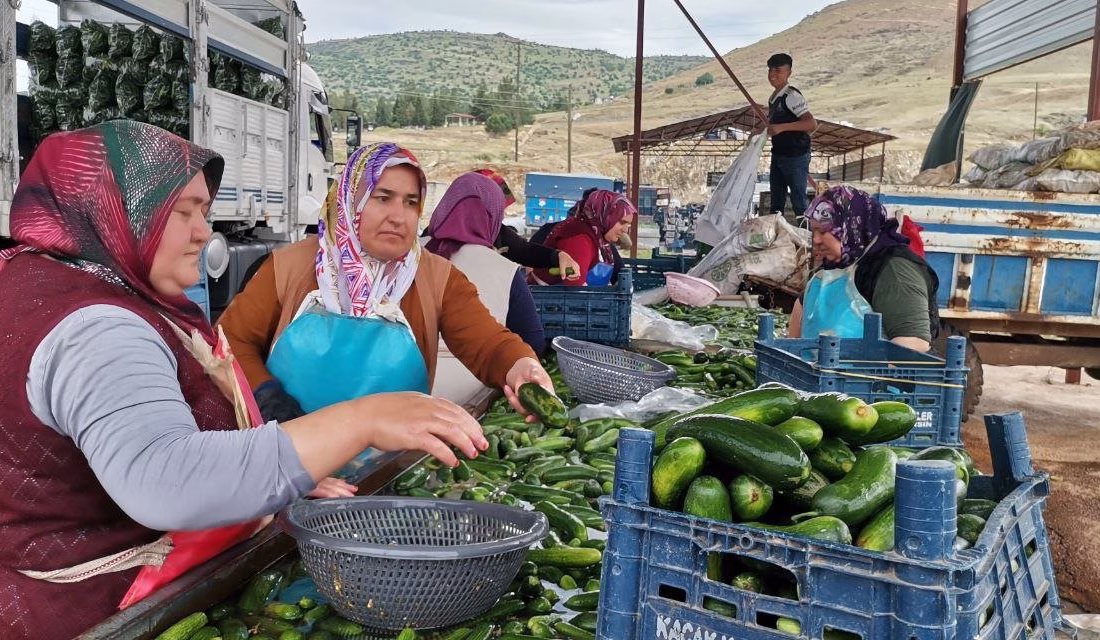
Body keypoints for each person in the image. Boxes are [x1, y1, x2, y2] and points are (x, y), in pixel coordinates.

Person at [0, 121, 487, 639]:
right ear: (113, 212)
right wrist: (360, 420)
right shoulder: (97, 328)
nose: (203, 233)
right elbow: (166, 478)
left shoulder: (44, 281)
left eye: (203, 213)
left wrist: (272, 473)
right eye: (181, 212)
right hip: (102, 614)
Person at [218, 142, 553, 426]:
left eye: (411, 202)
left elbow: (488, 343)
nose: (399, 215)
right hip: (291, 458)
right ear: (351, 199)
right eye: (382, 197)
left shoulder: (437, 279)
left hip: (387, 470)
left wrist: (519, 365)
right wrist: (267, 398)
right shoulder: (290, 266)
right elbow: (231, 341)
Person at [423, 172, 545, 406]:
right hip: (471, 399)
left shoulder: (406, 256)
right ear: (493, 217)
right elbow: (533, 340)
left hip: (400, 395)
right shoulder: (504, 269)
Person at [787, 185, 940, 352]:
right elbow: (800, 316)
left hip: (867, 377)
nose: (815, 240)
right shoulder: (829, 269)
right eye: (813, 231)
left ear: (850, 226)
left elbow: (914, 344)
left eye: (823, 231)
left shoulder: (893, 271)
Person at [471, 168, 581, 281]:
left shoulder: (496, 231)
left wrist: (559, 256)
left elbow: (525, 250)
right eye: (497, 208)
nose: (501, 215)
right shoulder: (455, 239)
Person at [530, 189, 635, 287]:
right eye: (622, 222)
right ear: (605, 216)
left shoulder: (598, 238)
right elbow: (576, 288)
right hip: (550, 302)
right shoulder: (579, 237)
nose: (625, 230)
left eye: (628, 225)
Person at [766, 53, 817, 218]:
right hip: (779, 154)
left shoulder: (792, 96)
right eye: (770, 70)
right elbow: (771, 122)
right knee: (776, 201)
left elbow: (811, 124)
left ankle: (808, 239)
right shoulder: (774, 97)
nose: (772, 75)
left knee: (798, 201)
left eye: (778, 70)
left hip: (796, 156)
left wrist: (782, 128)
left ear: (789, 73)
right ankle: (775, 238)